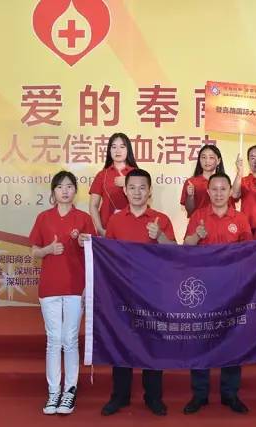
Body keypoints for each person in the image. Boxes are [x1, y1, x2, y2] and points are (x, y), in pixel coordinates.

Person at [100, 168, 176, 417]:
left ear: (150, 191)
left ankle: (153, 397)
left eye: (142, 187)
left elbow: (175, 252)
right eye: (132, 187)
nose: (137, 192)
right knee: (121, 342)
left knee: (152, 344)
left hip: (153, 293)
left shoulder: (161, 219)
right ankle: (119, 396)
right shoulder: (115, 220)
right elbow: (107, 256)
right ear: (125, 190)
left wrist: (160, 236)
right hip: (122, 292)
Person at [182, 173, 252, 415]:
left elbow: (250, 252)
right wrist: (196, 236)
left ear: (230, 192)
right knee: (201, 339)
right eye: (215, 189)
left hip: (232, 288)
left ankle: (230, 393)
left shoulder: (240, 218)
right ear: (208, 192)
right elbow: (186, 247)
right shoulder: (198, 216)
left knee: (232, 339)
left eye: (224, 189)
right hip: (203, 289)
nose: (219, 193)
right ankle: (199, 394)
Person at [29, 171, 96, 415]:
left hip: (75, 287)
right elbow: (34, 251)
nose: (65, 190)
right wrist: (48, 249)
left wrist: (86, 243)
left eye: (69, 186)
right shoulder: (44, 218)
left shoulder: (84, 218)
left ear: (75, 191)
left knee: (69, 339)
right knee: (54, 339)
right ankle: (53, 391)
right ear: (53, 192)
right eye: (60, 187)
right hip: (49, 287)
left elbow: (94, 250)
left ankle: (69, 390)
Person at [89, 132, 138, 236]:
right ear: (109, 150)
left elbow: (146, 197)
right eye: (114, 147)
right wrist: (100, 229)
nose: (117, 151)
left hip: (133, 228)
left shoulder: (137, 174)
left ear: (128, 150)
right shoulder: (102, 175)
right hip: (107, 229)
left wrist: (128, 182)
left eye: (122, 147)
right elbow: (93, 205)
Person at [180, 144, 234, 217]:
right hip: (198, 221)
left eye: (211, 157)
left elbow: (230, 208)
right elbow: (189, 210)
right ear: (199, 160)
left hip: (220, 222)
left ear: (218, 161)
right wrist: (190, 196)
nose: (207, 161)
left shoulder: (224, 182)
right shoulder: (191, 182)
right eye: (203, 157)